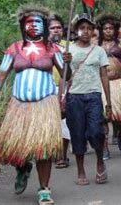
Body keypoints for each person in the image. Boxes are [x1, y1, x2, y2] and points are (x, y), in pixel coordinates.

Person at [0, 6, 71, 205]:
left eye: (38, 21)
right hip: (19, 106)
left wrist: (68, 63)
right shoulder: (14, 49)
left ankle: (44, 189)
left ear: (45, 26)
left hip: (45, 105)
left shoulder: (53, 49)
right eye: (29, 21)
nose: (33, 24)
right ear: (23, 25)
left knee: (44, 150)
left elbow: (67, 75)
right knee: (13, 147)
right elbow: (1, 74)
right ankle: (22, 168)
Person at [65, 13, 111, 186]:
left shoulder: (98, 51)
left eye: (89, 28)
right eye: (82, 28)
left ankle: (100, 161)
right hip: (74, 97)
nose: (85, 31)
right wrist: (66, 62)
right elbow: (66, 76)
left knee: (96, 132)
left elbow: (104, 76)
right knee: (77, 134)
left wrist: (109, 102)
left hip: (93, 96)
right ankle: (81, 170)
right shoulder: (68, 50)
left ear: (93, 31)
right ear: (76, 30)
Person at [96, 14, 121, 159]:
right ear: (101, 30)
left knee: (120, 116)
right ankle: (105, 147)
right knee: (103, 117)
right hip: (102, 83)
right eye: (105, 28)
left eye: (111, 28)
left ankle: (120, 132)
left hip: (118, 82)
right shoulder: (95, 44)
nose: (108, 31)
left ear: (115, 30)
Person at [49, 14, 72, 169]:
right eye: (52, 28)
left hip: (65, 87)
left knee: (64, 122)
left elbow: (72, 69)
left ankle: (62, 156)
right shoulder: (42, 47)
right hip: (46, 89)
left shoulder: (69, 47)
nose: (56, 30)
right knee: (50, 123)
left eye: (58, 27)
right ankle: (50, 151)